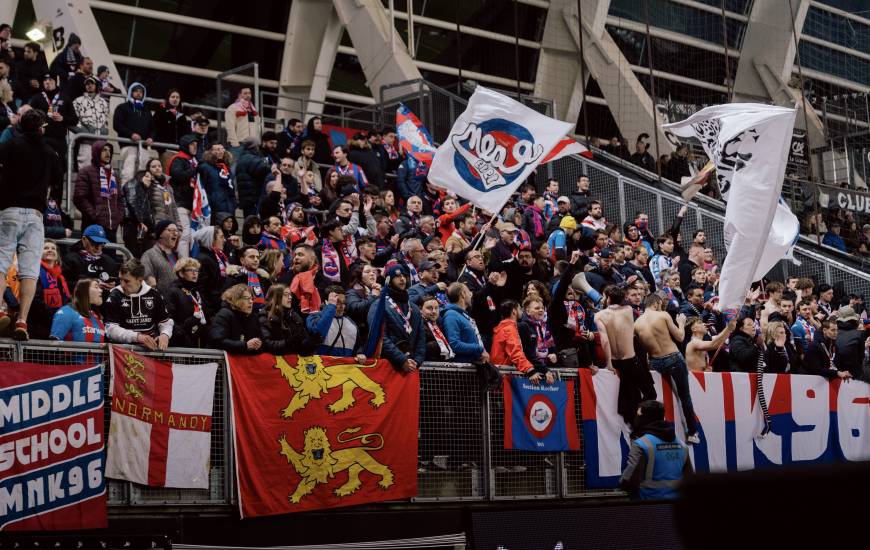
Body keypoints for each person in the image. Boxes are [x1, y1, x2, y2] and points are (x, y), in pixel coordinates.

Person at [0, 109, 62, 339]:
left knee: (2, 263)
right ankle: (22, 321)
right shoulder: (49, 151)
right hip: (35, 215)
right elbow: (57, 180)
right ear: (40, 127)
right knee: (29, 272)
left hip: (9, 210)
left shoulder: (9, 146)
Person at [635, 293, 699, 444]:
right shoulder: (663, 315)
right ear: (656, 303)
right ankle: (692, 432)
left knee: (656, 399)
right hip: (673, 358)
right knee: (685, 396)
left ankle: (650, 431)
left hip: (655, 363)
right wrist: (682, 323)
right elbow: (680, 337)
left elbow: (641, 350)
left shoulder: (636, 323)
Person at [595, 286, 652, 426]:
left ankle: (636, 425)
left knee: (630, 397)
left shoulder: (599, 315)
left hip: (615, 362)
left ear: (608, 298)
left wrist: (608, 363)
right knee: (650, 394)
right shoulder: (628, 311)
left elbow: (605, 340)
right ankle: (643, 424)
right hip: (630, 361)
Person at [619, 400, 693, 500]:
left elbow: (628, 480)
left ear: (647, 418)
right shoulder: (682, 445)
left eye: (639, 415)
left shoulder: (641, 444)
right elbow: (690, 479)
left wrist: (623, 483)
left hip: (648, 505)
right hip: (676, 507)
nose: (636, 419)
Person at [103, 259, 173, 351]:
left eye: (127, 281)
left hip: (149, 352)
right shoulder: (114, 295)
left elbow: (165, 322)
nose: (122, 285)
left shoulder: (154, 294)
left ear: (139, 280)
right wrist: (137, 337)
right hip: (122, 353)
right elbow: (110, 330)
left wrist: (165, 334)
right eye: (120, 280)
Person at [369, 263, 425, 373]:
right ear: (389, 281)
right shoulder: (379, 305)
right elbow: (380, 338)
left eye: (404, 276)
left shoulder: (413, 308)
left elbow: (421, 338)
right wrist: (402, 360)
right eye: (397, 276)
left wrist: (416, 361)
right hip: (387, 365)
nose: (402, 279)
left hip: (411, 367)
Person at [491, 299, 553, 383]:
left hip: (500, 375)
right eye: (520, 309)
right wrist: (530, 370)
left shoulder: (503, 327)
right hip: (504, 377)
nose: (522, 312)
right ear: (514, 311)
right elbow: (515, 352)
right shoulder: (509, 329)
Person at [73, 140, 123, 241]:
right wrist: (95, 215)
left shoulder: (114, 175)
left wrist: (118, 217)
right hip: (93, 226)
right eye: (104, 150)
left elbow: (120, 199)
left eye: (110, 150)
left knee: (110, 256)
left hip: (112, 227)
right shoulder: (86, 172)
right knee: (92, 256)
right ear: (96, 151)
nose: (108, 153)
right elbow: (79, 198)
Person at [112, 82, 157, 184]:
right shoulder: (122, 107)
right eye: (136, 91)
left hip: (144, 148)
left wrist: (151, 138)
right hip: (128, 146)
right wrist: (130, 134)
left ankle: (140, 198)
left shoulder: (146, 110)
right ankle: (126, 197)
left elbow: (153, 128)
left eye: (141, 92)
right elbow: (117, 124)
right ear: (130, 92)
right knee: (128, 173)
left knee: (143, 175)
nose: (138, 93)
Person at [259, 284, 320, 355]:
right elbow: (266, 344)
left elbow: (302, 347)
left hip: (294, 364)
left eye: (290, 295)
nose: (290, 297)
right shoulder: (265, 317)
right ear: (276, 297)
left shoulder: (295, 317)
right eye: (286, 295)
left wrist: (311, 342)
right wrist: (287, 343)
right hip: (275, 364)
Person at [306, 285, 364, 358]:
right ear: (327, 302)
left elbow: (357, 348)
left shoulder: (351, 323)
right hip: (321, 367)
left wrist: (359, 354)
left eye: (343, 303)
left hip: (344, 368)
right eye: (337, 302)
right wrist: (331, 307)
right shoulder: (314, 317)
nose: (342, 307)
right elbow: (318, 333)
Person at [209, 283, 266, 354]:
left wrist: (258, 345)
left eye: (252, 299)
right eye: (247, 299)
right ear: (236, 300)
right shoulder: (224, 314)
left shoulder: (253, 317)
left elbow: (263, 343)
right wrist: (245, 345)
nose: (251, 302)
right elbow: (217, 341)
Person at [30, 240, 71, 339]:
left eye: (53, 248)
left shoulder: (61, 277)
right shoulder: (34, 271)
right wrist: (56, 314)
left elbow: (66, 300)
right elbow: (35, 300)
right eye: (46, 248)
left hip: (57, 324)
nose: (50, 250)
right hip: (38, 324)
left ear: (57, 256)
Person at [164, 257, 208, 348]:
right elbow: (169, 319)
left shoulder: (196, 292)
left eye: (196, 270)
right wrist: (183, 336)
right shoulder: (173, 292)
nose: (195, 273)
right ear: (181, 273)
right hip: (182, 343)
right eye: (190, 270)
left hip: (199, 341)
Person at [167, 134, 199, 257]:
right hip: (179, 202)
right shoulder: (178, 159)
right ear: (185, 145)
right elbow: (178, 175)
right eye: (192, 145)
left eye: (196, 145)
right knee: (184, 235)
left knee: (191, 236)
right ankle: (183, 263)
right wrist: (195, 170)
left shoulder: (194, 162)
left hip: (191, 205)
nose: (195, 147)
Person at [440, 282, 489, 364]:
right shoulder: (451, 315)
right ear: (463, 294)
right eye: (469, 292)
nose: (471, 295)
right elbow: (454, 344)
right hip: (462, 370)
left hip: (473, 366)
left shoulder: (462, 315)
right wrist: (479, 348)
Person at [49, 278, 106, 344]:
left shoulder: (98, 317)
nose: (101, 290)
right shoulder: (66, 312)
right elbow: (53, 345)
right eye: (96, 287)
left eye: (100, 287)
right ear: (84, 291)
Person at [72, 76, 109, 171]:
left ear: (96, 86)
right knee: (85, 166)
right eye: (87, 84)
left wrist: (104, 131)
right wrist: (83, 130)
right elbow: (74, 119)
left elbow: (106, 120)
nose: (89, 86)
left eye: (91, 84)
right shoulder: (78, 101)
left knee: (100, 168)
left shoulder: (103, 102)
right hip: (86, 141)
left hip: (100, 141)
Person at [193, 225, 229, 314]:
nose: (224, 240)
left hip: (219, 306)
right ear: (211, 240)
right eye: (221, 237)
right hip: (212, 311)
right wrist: (208, 312)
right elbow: (201, 290)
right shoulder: (202, 260)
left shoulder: (218, 256)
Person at [121, 167, 156, 258]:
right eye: (147, 176)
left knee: (140, 256)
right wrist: (140, 221)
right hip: (133, 225)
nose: (150, 179)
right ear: (140, 177)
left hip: (139, 225)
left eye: (151, 177)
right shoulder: (133, 184)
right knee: (133, 256)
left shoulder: (144, 190)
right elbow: (132, 202)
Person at [140, 220, 180, 296]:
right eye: (171, 230)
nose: (175, 233)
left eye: (176, 231)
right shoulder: (149, 255)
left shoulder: (177, 256)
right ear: (160, 233)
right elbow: (146, 281)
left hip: (177, 302)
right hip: (161, 302)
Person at [235, 135, 271, 218]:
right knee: (254, 222)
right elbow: (264, 170)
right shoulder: (251, 159)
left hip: (247, 198)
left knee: (249, 222)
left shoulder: (242, 158)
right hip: (254, 197)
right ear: (254, 147)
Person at [152, 89, 189, 160]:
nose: (175, 99)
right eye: (173, 97)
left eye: (177, 97)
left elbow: (184, 133)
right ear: (168, 99)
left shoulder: (182, 116)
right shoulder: (160, 112)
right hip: (163, 149)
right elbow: (154, 127)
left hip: (178, 150)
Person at [224, 87, 259, 154]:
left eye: (249, 93)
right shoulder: (233, 108)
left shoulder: (253, 109)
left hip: (253, 145)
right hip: (239, 143)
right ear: (240, 95)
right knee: (236, 164)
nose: (248, 95)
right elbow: (230, 127)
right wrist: (235, 143)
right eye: (245, 93)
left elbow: (257, 127)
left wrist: (257, 142)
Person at [420, 294, 454, 361]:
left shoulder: (440, 324)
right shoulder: (418, 325)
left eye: (436, 308)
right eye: (429, 308)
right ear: (420, 309)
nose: (434, 311)